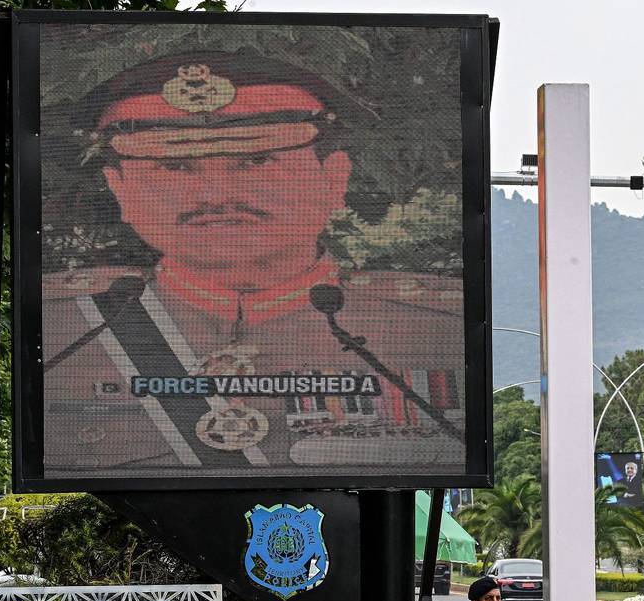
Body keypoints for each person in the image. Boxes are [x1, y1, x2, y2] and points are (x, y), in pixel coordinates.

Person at [41, 51, 466, 479]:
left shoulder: (440, 326)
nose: (214, 194)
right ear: (121, 191)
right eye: (173, 166)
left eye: (256, 161)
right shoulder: (59, 330)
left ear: (334, 179)